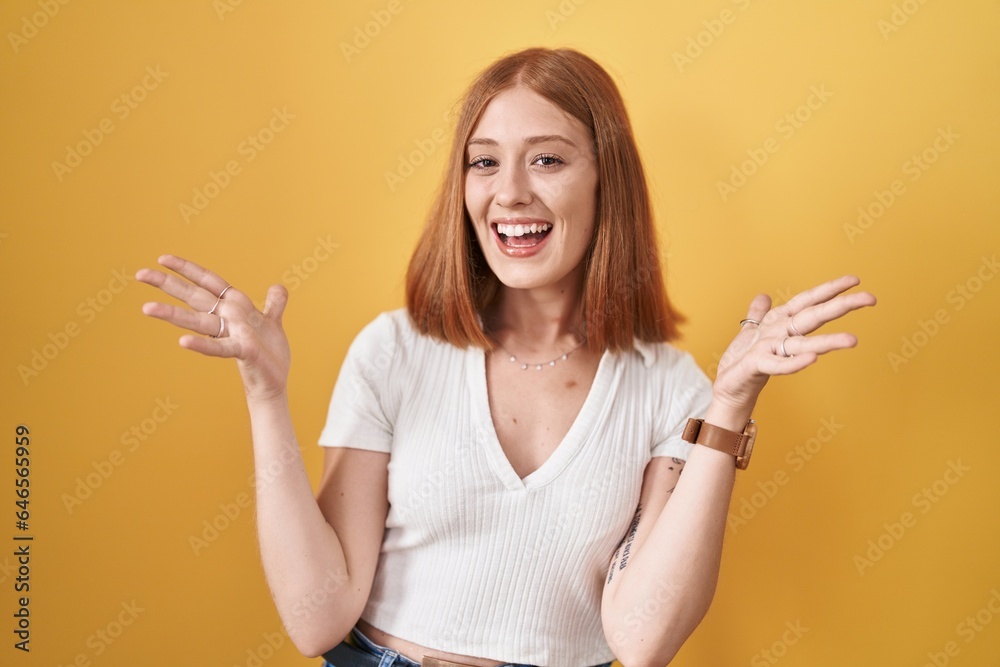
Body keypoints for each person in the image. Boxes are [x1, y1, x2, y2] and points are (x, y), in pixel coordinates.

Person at [136, 47, 875, 667]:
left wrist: (731, 404)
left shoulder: (667, 386)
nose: (509, 193)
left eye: (547, 159)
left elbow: (643, 637)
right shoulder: (395, 350)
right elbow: (316, 616)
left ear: (604, 180)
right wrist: (266, 397)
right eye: (483, 163)